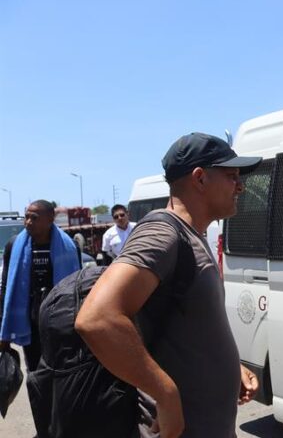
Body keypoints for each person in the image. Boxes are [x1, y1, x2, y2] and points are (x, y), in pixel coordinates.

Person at [75, 132, 262, 438]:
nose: (240, 186)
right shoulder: (164, 233)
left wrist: (230, 368)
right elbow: (97, 318)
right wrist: (165, 395)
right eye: (231, 176)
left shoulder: (192, 236)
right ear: (200, 179)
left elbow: (190, 327)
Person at [0, 200, 81, 371]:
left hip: (60, 320)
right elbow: (6, 287)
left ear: (50, 219)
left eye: (34, 218)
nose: (28, 222)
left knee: (61, 370)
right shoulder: (14, 246)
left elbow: (79, 286)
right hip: (29, 320)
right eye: (26, 217)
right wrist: (3, 329)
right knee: (35, 370)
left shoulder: (69, 246)